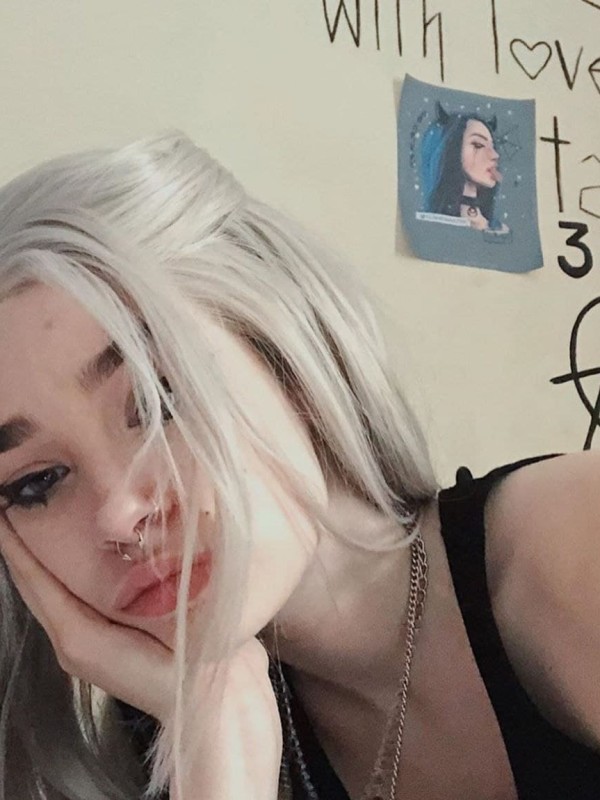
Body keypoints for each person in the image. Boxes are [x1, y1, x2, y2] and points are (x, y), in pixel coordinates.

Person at [0, 133, 598, 800]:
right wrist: (213, 744)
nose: (118, 513)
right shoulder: (165, 732)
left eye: (159, 398)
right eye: (35, 483)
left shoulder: (573, 546)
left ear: (288, 362)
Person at [421, 102, 508, 233]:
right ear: (453, 150)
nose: (495, 155)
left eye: (493, 147)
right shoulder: (434, 222)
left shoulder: (497, 227)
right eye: (478, 145)